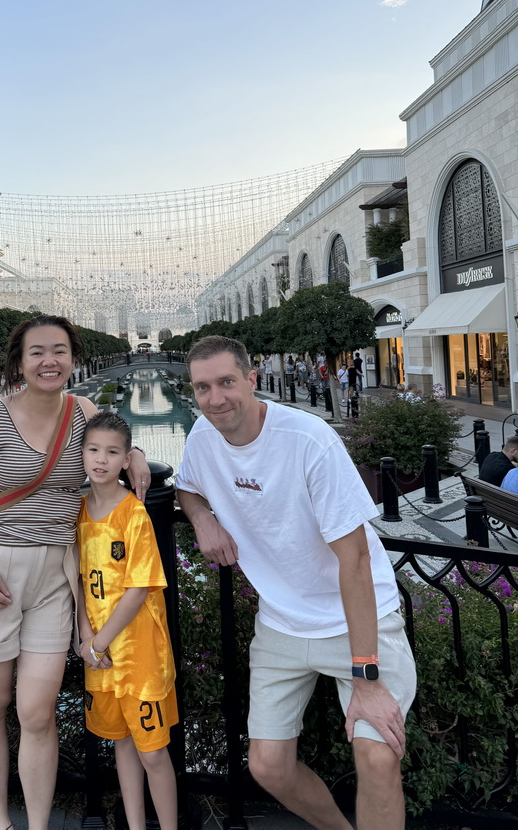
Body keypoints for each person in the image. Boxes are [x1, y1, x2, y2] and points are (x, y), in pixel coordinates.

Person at [175, 335, 416, 830]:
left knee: (378, 759)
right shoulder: (202, 435)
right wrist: (201, 518)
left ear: (252, 380)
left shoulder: (307, 439)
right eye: (203, 388)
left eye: (226, 382)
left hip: (355, 622)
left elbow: (354, 563)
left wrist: (365, 676)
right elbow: (185, 485)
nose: (216, 398)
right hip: (282, 625)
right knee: (267, 765)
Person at [0, 315, 151, 830]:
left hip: (57, 574)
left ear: (73, 358)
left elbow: (116, 439)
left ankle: (36, 825)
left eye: (59, 350)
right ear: (19, 361)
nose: (49, 361)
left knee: (37, 711)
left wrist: (139, 454)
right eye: (37, 352)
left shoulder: (82, 412)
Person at [77, 413, 178, 830]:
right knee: (120, 742)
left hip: (138, 656)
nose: (100, 460)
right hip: (99, 654)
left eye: (112, 452)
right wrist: (86, 638)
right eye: (93, 449)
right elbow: (79, 582)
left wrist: (98, 643)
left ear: (126, 460)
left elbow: (139, 589)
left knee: (152, 751)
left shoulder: (133, 514)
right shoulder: (79, 510)